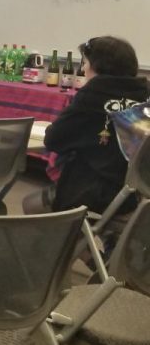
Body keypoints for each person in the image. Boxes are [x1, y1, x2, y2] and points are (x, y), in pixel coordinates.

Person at [24, 36, 149, 216]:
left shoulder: (93, 95)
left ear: (98, 66)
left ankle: (67, 242)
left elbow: (53, 140)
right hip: (138, 195)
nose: (83, 68)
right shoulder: (144, 94)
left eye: (85, 63)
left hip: (97, 192)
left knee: (31, 204)